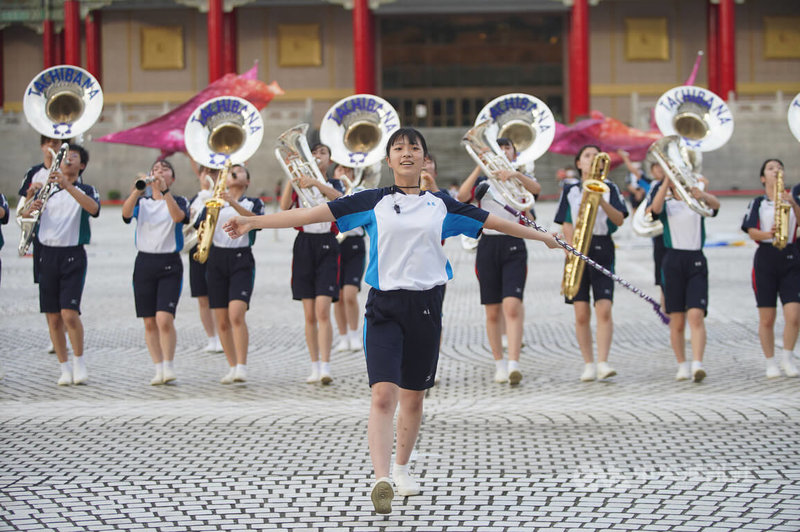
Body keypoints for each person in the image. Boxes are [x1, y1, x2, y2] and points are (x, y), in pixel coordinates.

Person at [223, 127, 559, 515]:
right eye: (398, 148)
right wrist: (253, 224)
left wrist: (542, 236)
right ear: (388, 160)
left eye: (413, 148)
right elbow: (311, 213)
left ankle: (401, 469)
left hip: (427, 307)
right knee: (384, 394)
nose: (406, 153)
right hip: (384, 307)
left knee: (414, 398)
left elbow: (493, 222)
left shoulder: (442, 205)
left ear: (423, 158)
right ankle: (381, 477)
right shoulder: (372, 201)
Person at [456, 138, 541, 385]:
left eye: (507, 149)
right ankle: (499, 364)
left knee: (512, 306)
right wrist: (479, 165)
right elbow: (462, 197)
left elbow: (535, 190)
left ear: (514, 154)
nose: (502, 152)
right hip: (488, 246)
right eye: (498, 149)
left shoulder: (519, 180)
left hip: (514, 244)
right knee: (492, 312)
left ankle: (514, 362)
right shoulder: (483, 182)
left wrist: (514, 173)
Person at [19, 144, 99, 385]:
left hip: (73, 255)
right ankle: (64, 367)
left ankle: (79, 361)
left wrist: (67, 185)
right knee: (53, 317)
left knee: (69, 314)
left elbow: (93, 208)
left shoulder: (85, 189)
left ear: (81, 165)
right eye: (64, 157)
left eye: (73, 157)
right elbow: (23, 217)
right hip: (47, 255)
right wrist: (30, 203)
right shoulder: (46, 190)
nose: (67, 160)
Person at [554, 144, 628, 382]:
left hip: (602, 246)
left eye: (596, 155)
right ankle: (588, 363)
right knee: (581, 312)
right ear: (578, 163)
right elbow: (565, 221)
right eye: (587, 155)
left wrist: (600, 198)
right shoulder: (571, 190)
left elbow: (619, 219)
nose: (592, 159)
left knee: (604, 308)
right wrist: (569, 247)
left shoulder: (611, 188)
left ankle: (604, 362)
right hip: (577, 247)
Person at [648, 157, 720, 382]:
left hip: (696, 258)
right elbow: (654, 209)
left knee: (696, 314)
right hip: (673, 260)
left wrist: (703, 194)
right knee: (677, 319)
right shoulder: (667, 202)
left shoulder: (696, 201)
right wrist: (666, 182)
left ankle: (698, 363)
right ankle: (682, 364)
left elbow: (716, 205)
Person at [279, 142, 343, 384]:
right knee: (309, 314)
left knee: (323, 310)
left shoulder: (333, 184)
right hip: (304, 244)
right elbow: (284, 208)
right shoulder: (298, 185)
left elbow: (340, 200)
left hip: (327, 243)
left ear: (330, 159)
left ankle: (326, 365)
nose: (318, 157)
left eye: (322, 153)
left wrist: (316, 182)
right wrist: (291, 176)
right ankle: (314, 364)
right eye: (314, 153)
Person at [122, 159, 190, 385]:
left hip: (169, 263)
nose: (160, 172)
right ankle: (158, 367)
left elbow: (178, 217)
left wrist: (165, 192)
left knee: (164, 318)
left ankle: (169, 365)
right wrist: (137, 191)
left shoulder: (179, 200)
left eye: (165, 169)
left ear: (172, 177)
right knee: (149, 321)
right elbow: (125, 214)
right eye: (156, 169)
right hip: (144, 262)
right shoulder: (142, 203)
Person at [195, 163, 264, 384]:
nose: (235, 172)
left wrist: (232, 202)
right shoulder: (214, 202)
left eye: (240, 170)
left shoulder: (252, 202)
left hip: (241, 259)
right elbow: (199, 227)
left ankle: (242, 365)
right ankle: (232, 366)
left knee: (236, 313)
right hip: (216, 260)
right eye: (232, 170)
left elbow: (256, 222)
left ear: (247, 181)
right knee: (221, 319)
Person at [743, 159, 800, 378]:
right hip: (766, 257)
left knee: (794, 315)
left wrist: (793, 203)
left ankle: (788, 356)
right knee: (767, 317)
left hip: (790, 256)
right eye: (770, 168)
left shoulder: (791, 197)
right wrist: (769, 234)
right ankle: (770, 362)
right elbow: (750, 230)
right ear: (763, 178)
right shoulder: (758, 202)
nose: (776, 170)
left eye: (779, 167)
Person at [188, 165, 223, 353]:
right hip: (196, 250)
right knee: (202, 297)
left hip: (217, 250)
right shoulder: (193, 201)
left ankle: (222, 334)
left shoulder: (223, 197)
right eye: (206, 172)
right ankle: (212, 338)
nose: (210, 175)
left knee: (217, 295)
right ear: (200, 175)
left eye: (214, 172)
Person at [332, 163, 366, 354]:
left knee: (350, 294)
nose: (344, 173)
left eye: (347, 170)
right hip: (335, 245)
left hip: (354, 244)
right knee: (337, 297)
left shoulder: (359, 191)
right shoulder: (327, 190)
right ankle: (343, 336)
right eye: (340, 170)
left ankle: (354, 334)